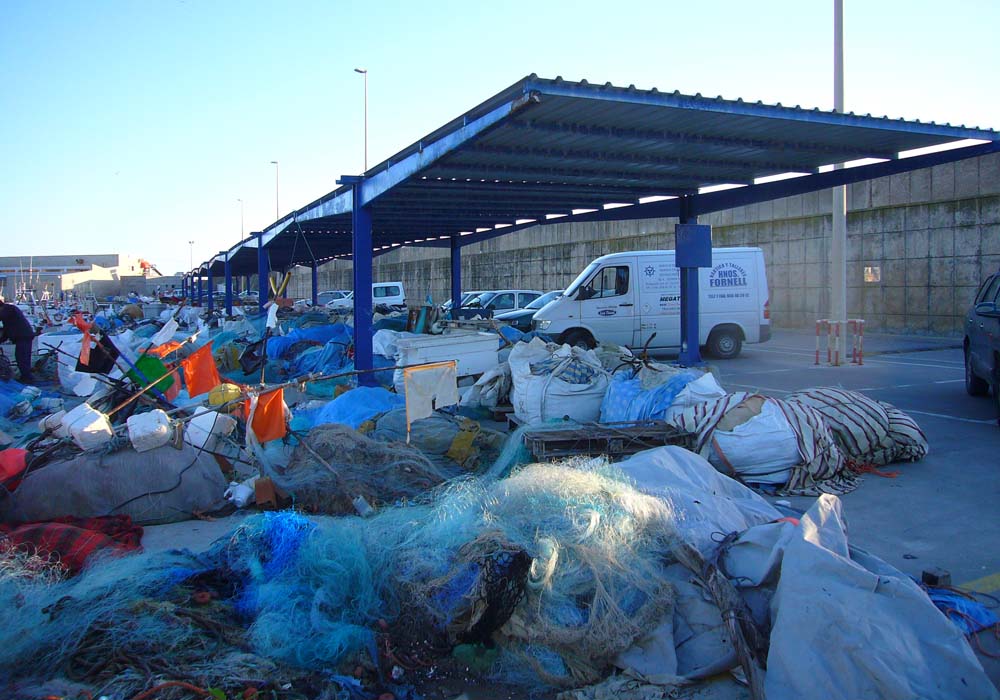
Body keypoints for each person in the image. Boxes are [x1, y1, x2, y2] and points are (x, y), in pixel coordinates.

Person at [0, 296, 36, 384]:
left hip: (23, 336)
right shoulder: (8, 312)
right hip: (22, 335)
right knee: (21, 357)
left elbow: (3, 319)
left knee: (22, 357)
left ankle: (27, 378)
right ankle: (26, 376)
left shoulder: (8, 309)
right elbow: (7, 330)